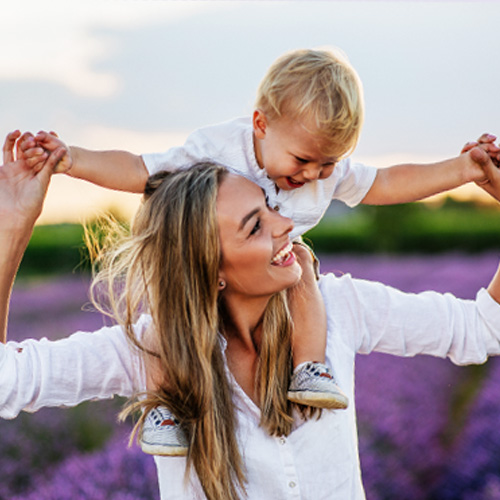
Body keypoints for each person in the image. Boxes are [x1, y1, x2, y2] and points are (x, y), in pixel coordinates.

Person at [18, 48, 500, 457]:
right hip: (189, 277)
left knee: (305, 268)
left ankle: (310, 368)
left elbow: (391, 182)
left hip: (294, 273)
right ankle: (169, 402)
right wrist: (71, 160)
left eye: (328, 164)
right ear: (260, 124)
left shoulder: (343, 297)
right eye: (303, 160)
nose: (314, 176)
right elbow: (139, 169)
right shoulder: (216, 152)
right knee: (173, 305)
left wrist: (463, 170)